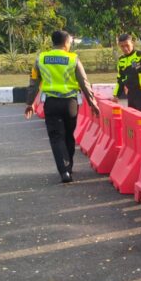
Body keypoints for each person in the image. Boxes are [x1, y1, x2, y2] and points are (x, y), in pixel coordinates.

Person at [25, 30, 99, 184]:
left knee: (56, 137)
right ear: (66, 42)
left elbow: (34, 83)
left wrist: (30, 103)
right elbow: (84, 82)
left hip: (51, 103)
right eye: (70, 41)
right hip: (70, 104)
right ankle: (69, 165)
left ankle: (64, 171)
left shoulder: (41, 58)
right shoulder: (73, 59)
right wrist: (92, 103)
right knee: (68, 136)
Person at [113, 34, 141, 114]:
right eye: (122, 46)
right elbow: (120, 80)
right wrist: (116, 95)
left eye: (127, 45)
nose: (125, 48)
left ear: (132, 43)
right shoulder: (121, 60)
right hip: (131, 95)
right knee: (133, 120)